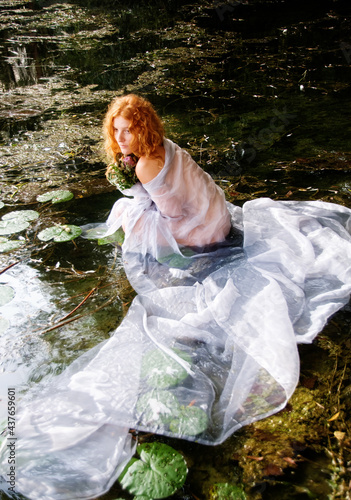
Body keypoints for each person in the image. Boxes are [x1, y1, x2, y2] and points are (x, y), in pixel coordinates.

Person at [2, 94, 351, 500]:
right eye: (115, 129)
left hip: (201, 231)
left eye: (127, 129)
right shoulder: (160, 147)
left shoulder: (147, 163)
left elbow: (171, 217)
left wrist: (139, 218)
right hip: (216, 211)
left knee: (144, 242)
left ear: (142, 127)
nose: (120, 136)